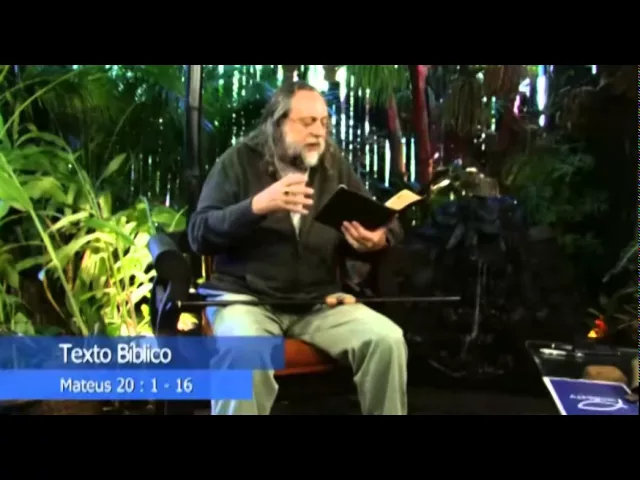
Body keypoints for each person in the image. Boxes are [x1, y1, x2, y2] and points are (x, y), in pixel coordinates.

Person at [187, 81, 408, 415]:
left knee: (386, 340)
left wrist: (379, 238)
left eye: (324, 123)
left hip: (318, 302)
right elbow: (198, 233)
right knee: (243, 352)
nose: (319, 132)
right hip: (248, 301)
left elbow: (385, 223)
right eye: (308, 122)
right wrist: (257, 206)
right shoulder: (238, 161)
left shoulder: (332, 165)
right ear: (278, 124)